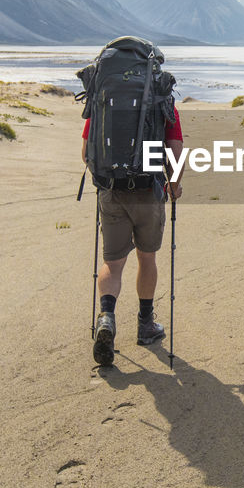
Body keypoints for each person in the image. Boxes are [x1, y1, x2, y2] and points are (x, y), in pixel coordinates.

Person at [81, 75, 184, 367]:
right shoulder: (163, 101)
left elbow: (86, 152)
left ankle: (106, 318)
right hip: (148, 190)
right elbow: (175, 152)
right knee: (146, 257)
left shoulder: (103, 99)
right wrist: (174, 186)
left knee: (113, 263)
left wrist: (105, 180)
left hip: (111, 190)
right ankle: (145, 324)